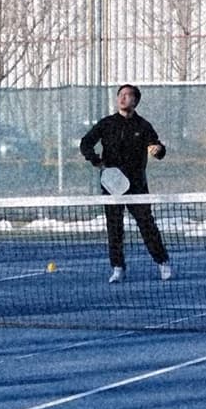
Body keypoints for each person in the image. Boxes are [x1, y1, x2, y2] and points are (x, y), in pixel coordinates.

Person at [79, 82, 173, 284]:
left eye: (128, 95)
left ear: (135, 101)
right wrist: (95, 160)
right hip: (112, 185)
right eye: (120, 94)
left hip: (137, 186)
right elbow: (85, 143)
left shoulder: (143, 126)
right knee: (114, 228)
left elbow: (158, 148)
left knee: (147, 225)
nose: (123, 98)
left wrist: (158, 150)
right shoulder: (107, 124)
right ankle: (118, 267)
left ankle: (162, 262)